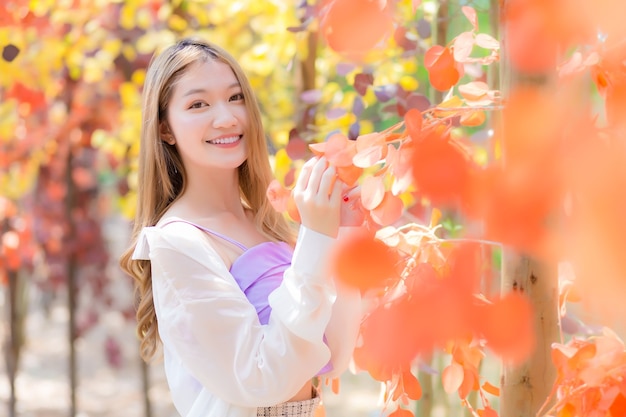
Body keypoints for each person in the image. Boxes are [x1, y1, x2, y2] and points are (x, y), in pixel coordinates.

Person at [119, 38, 363, 417]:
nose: (227, 117)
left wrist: (343, 232)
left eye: (235, 98)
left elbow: (336, 351)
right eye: (198, 104)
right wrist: (315, 239)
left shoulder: (268, 224)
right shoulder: (178, 243)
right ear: (166, 129)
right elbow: (260, 379)